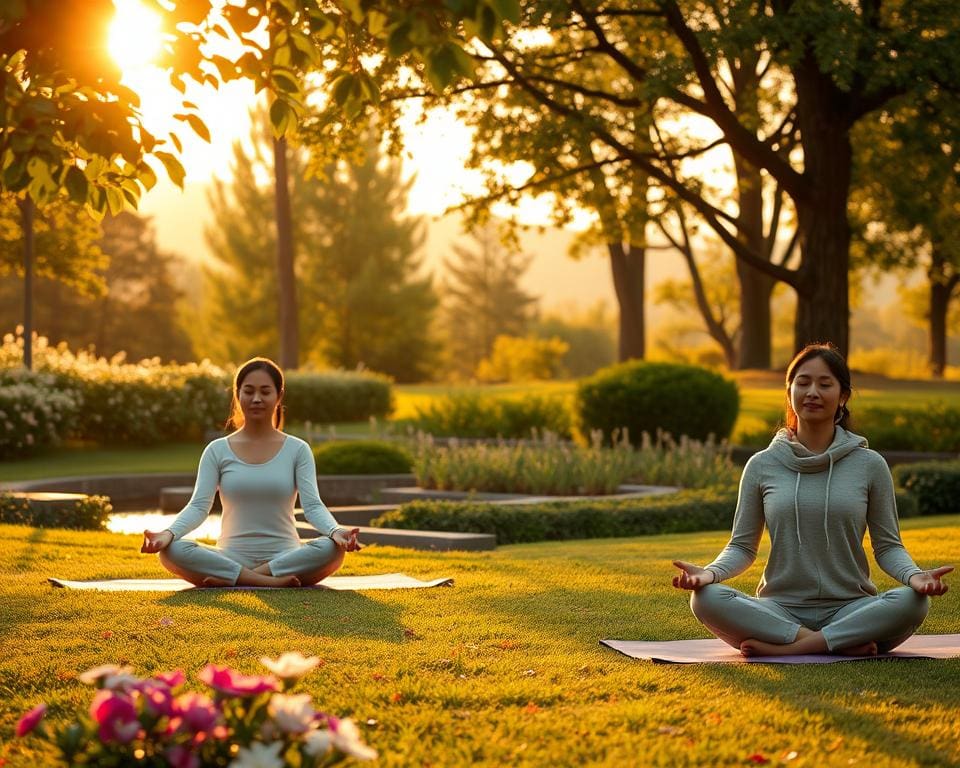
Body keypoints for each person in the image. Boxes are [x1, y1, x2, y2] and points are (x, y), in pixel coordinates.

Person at [672, 343, 952, 657]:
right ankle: (839, 643)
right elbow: (741, 547)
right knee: (705, 598)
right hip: (779, 611)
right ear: (789, 391)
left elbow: (888, 547)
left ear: (843, 395)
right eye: (803, 383)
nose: (813, 392)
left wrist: (915, 577)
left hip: (851, 607)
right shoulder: (762, 465)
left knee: (912, 602)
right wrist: (708, 574)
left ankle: (788, 648)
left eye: (825, 384)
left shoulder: (870, 465)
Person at [141, 357, 360, 588]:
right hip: (231, 555)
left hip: (285, 557)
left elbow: (313, 506)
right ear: (238, 395)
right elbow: (198, 506)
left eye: (265, 391)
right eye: (249, 391)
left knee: (331, 549)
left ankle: (238, 577)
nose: (256, 399)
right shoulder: (217, 450)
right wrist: (168, 533)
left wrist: (336, 531)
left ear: (279, 396)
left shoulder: (298, 449)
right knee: (171, 550)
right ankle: (269, 581)